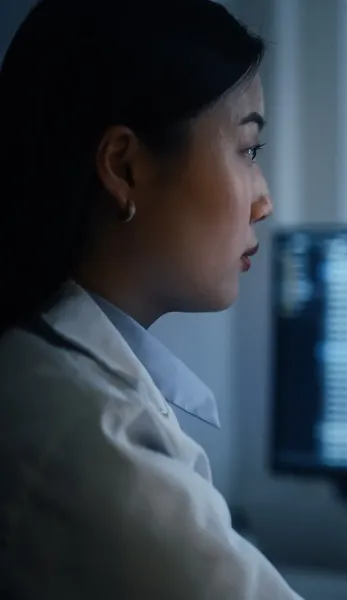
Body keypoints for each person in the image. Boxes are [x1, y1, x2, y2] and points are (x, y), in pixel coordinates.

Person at [0, 0, 302, 598]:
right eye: (248, 150)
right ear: (124, 167)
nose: (264, 202)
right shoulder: (83, 432)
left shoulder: (42, 371)